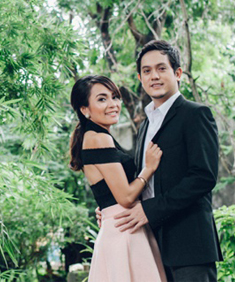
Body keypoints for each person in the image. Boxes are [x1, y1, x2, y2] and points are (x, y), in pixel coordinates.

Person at [111, 40, 223, 281]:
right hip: (149, 243)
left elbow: (203, 177)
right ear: (140, 78)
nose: (154, 76)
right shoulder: (145, 124)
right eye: (147, 71)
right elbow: (144, 180)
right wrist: (113, 207)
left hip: (189, 245)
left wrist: (149, 210)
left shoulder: (195, 114)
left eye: (162, 68)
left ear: (178, 73)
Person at [70, 75, 166, 282]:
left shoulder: (96, 136)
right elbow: (125, 197)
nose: (113, 104)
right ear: (85, 109)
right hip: (125, 230)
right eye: (102, 99)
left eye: (114, 97)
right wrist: (148, 169)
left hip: (122, 226)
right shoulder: (98, 138)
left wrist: (105, 210)